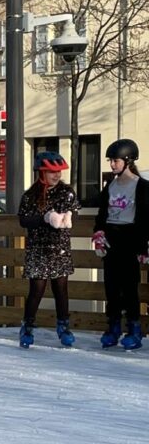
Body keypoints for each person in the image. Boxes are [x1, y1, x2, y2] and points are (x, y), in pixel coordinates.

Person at [18, 150, 79, 348]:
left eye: (59, 171)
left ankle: (63, 325)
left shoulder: (66, 192)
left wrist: (69, 216)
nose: (57, 175)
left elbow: (74, 209)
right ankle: (27, 325)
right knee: (36, 289)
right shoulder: (30, 195)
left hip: (59, 248)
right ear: (41, 172)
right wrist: (44, 219)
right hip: (39, 248)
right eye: (52, 171)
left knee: (61, 289)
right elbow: (23, 220)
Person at [92, 138, 149, 349]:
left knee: (130, 286)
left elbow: (145, 218)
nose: (112, 165)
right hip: (112, 238)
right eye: (111, 161)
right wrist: (98, 233)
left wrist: (142, 245)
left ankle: (134, 328)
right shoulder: (111, 186)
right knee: (111, 286)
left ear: (128, 160)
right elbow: (101, 214)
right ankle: (113, 325)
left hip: (130, 238)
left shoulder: (141, 187)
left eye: (115, 160)